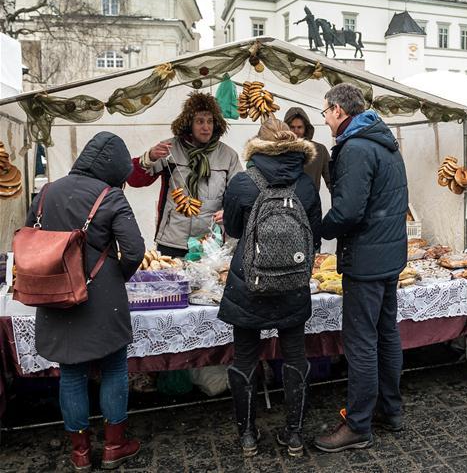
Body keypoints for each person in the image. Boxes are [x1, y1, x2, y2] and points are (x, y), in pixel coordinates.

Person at [27, 132, 145, 471]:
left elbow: (29, 236)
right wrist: (115, 275)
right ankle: (114, 445)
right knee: (113, 368)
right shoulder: (111, 196)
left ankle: (80, 453)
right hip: (102, 297)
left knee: (71, 374)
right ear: (115, 168)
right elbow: (134, 249)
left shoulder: (47, 191)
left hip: (55, 293)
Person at [217, 117, 322, 457]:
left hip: (249, 282)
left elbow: (233, 230)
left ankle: (247, 435)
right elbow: (314, 237)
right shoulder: (306, 184)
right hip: (293, 284)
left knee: (245, 359)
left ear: (258, 147)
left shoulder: (242, 183)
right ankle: (293, 436)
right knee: (294, 358)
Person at [313, 83, 409, 453]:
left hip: (367, 260)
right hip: (388, 257)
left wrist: (321, 229)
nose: (324, 120)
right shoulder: (385, 142)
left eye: (325, 113)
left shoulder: (355, 148)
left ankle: (358, 426)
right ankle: (391, 410)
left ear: (339, 111)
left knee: (362, 343)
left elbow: (349, 210)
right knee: (386, 335)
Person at [128, 92, 242, 257]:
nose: (206, 127)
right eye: (200, 121)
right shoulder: (169, 149)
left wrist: (229, 212)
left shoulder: (228, 155)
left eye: (210, 121)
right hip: (172, 240)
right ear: (189, 124)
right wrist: (150, 157)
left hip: (210, 242)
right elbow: (135, 180)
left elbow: (239, 194)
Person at [283, 106, 331, 192]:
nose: (296, 131)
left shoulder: (320, 150)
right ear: (286, 128)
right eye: (292, 127)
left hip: (311, 203)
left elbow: (332, 181)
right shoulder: (279, 150)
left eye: (299, 127)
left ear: (306, 128)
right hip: (285, 203)